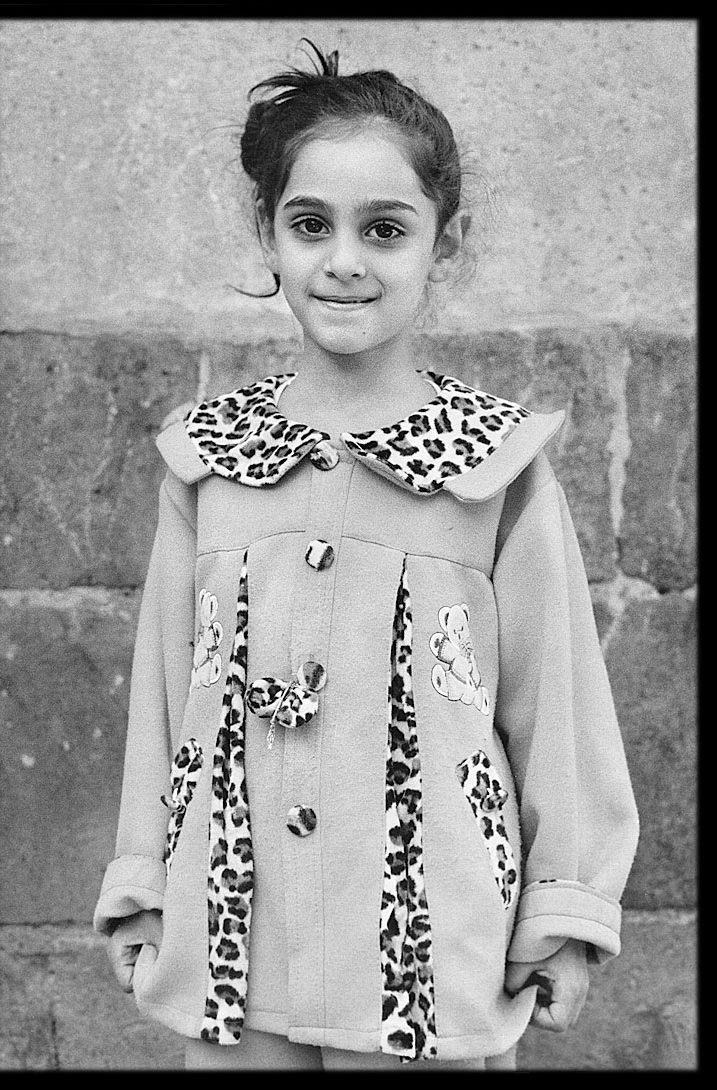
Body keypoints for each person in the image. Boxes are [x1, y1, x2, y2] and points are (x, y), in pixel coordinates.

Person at [93, 40, 639, 1071]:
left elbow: (555, 704)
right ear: (269, 234)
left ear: (445, 242)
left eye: (384, 229)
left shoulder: (497, 468)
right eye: (310, 225)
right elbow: (162, 700)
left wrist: (565, 905)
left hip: (427, 957)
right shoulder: (207, 463)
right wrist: (140, 883)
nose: (344, 260)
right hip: (230, 942)